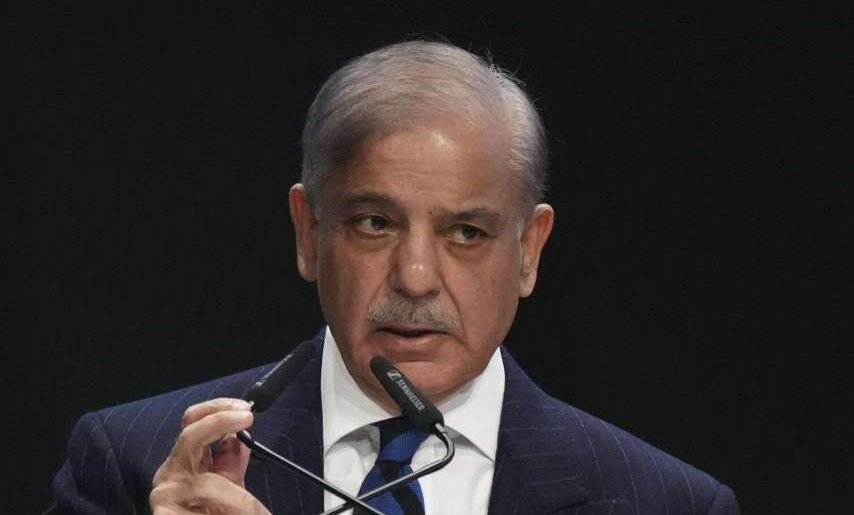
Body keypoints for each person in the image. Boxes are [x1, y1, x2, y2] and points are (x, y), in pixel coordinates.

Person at [47, 40, 740, 515]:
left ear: (529, 250)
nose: (415, 278)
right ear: (309, 233)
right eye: (375, 223)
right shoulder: (134, 467)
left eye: (465, 233)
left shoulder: (665, 503)